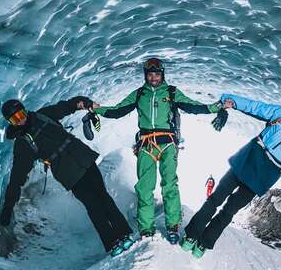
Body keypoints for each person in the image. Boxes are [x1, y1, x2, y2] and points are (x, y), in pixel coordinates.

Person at [93, 58, 223, 244]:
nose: (153, 77)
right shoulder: (139, 94)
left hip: (168, 144)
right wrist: (96, 110)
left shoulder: (171, 92)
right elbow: (117, 111)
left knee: (169, 185)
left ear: (162, 74)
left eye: (157, 74)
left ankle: (172, 226)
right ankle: (146, 228)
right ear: (146, 75)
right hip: (146, 145)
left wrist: (214, 107)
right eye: (150, 74)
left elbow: (192, 106)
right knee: (144, 188)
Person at [181, 95, 281, 258]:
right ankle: (191, 235)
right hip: (245, 161)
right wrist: (232, 101)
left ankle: (204, 243)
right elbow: (256, 106)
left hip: (261, 176)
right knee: (215, 199)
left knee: (229, 211)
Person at [0, 97, 134, 257]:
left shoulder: (43, 115)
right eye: (15, 119)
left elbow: (66, 106)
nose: (21, 120)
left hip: (83, 158)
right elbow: (17, 178)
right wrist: (8, 208)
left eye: (21, 114)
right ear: (10, 122)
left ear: (25, 110)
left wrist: (85, 102)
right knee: (93, 206)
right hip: (67, 173)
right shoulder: (23, 143)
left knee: (103, 196)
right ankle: (112, 242)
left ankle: (124, 233)